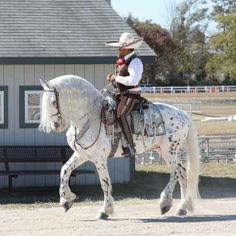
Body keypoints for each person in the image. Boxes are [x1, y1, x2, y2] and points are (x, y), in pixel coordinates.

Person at [105, 32, 144, 156]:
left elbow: (134, 80)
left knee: (121, 115)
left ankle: (130, 147)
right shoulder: (123, 61)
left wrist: (115, 78)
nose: (118, 49)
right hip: (120, 95)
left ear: (126, 49)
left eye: (120, 47)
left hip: (132, 95)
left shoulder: (135, 62)